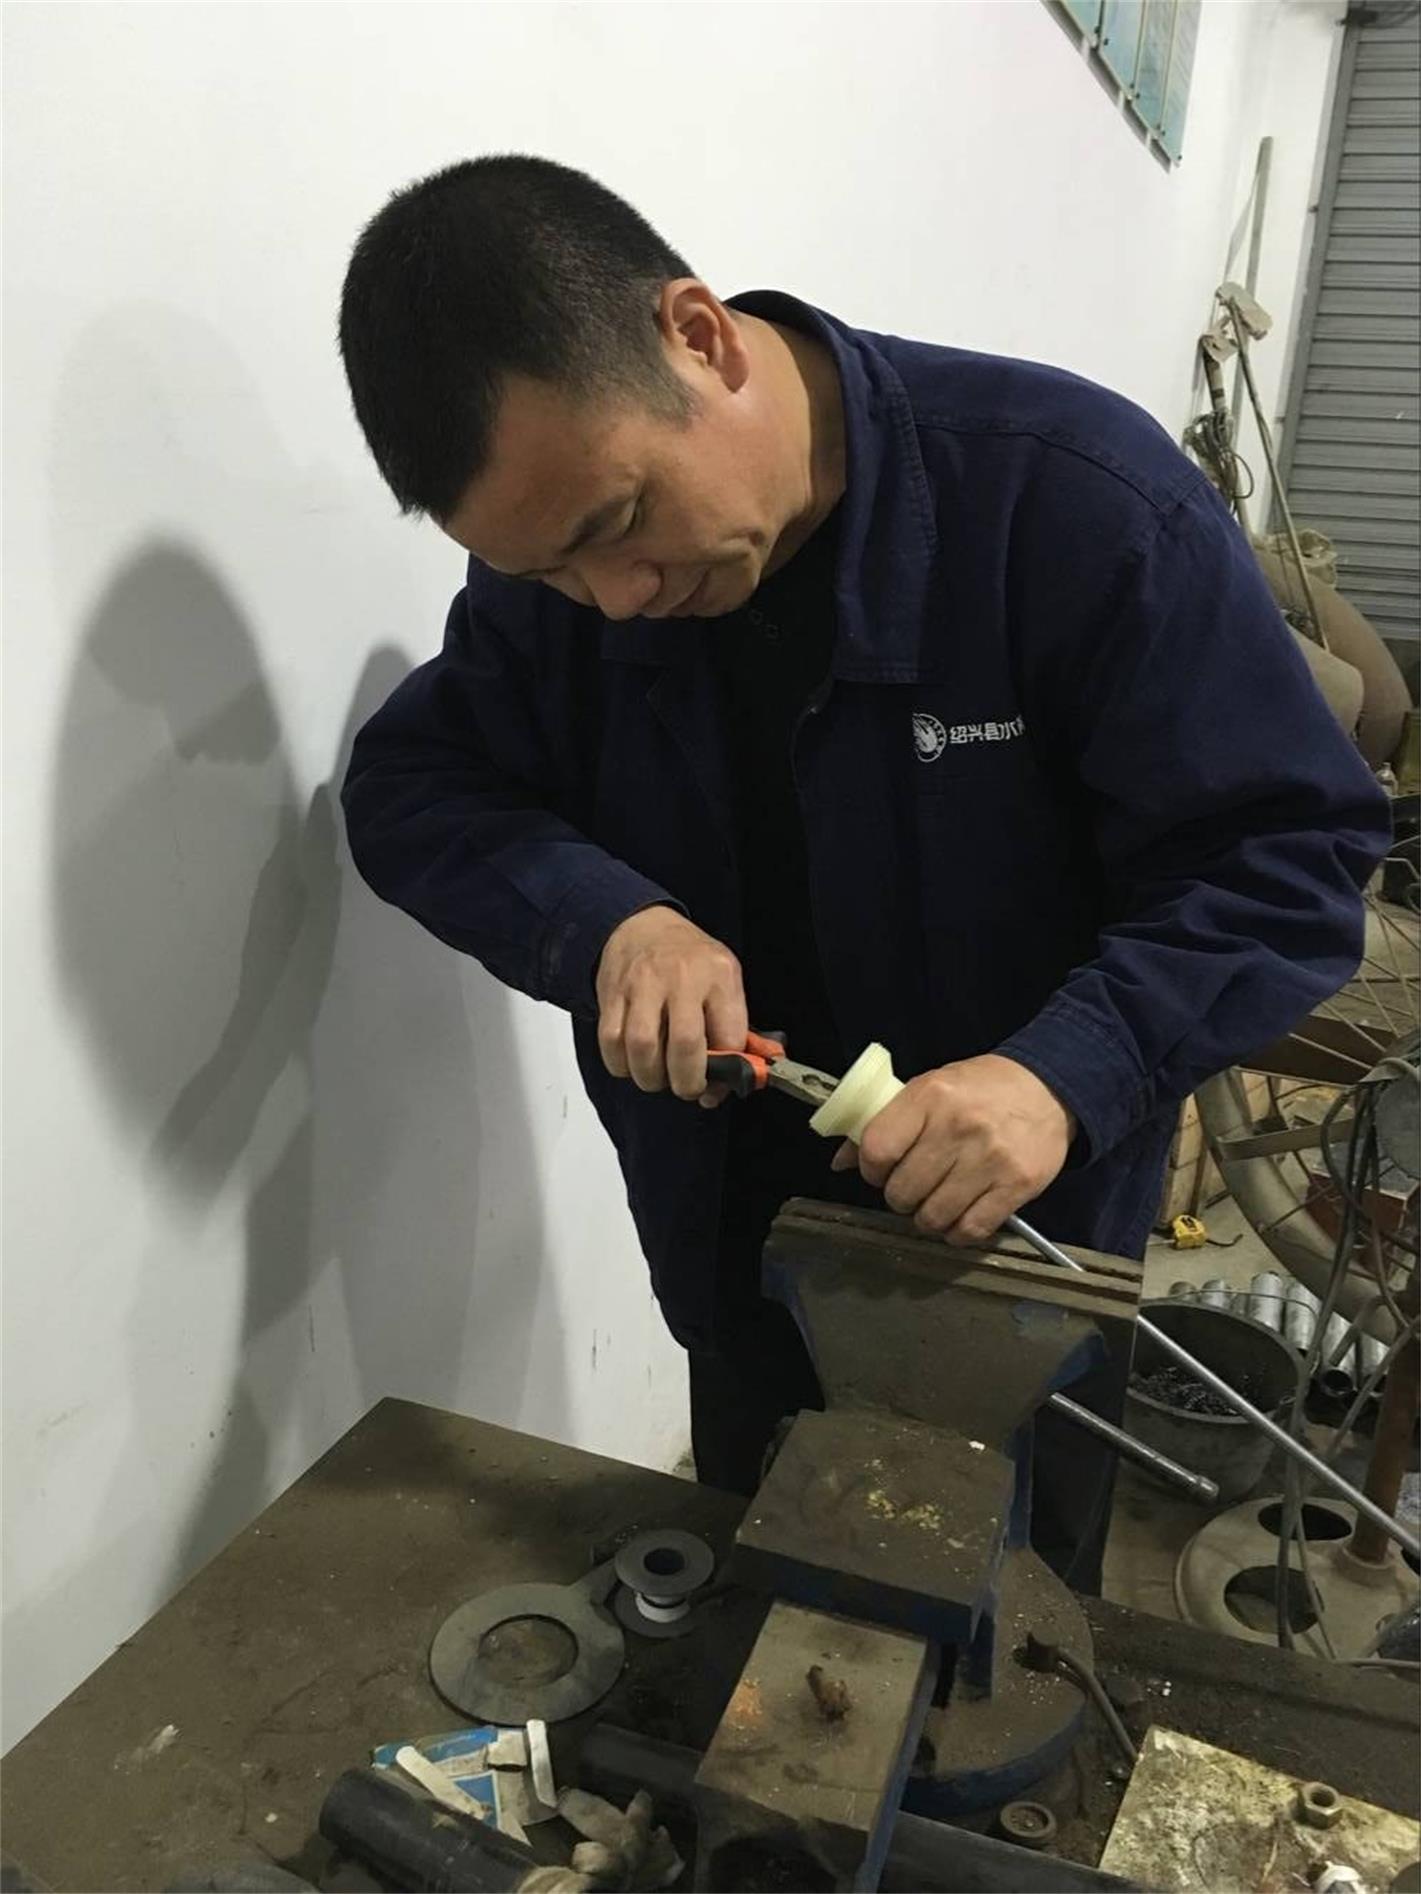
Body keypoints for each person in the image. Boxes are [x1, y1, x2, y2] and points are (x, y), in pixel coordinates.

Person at [336, 155, 1390, 1585]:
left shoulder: (1072, 504)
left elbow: (1287, 851)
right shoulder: (565, 581)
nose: (615, 602)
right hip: (739, 1253)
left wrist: (1065, 1072)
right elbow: (415, 784)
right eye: (551, 576)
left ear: (698, 337)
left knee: (1015, 1637)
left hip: (1019, 1260)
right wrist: (609, 920)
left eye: (614, 526)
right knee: (757, 1605)